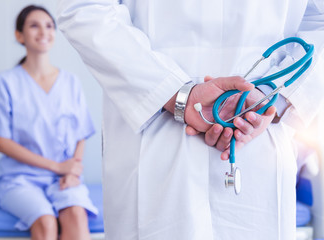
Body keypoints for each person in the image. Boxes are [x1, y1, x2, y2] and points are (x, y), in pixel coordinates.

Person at [57, 1, 324, 240]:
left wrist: (269, 97)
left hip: (257, 142)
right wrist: (173, 92)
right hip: (158, 138)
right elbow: (85, 8)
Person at [0, 5, 97, 240]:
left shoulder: (70, 82)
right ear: (19, 35)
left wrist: (73, 170)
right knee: (46, 222)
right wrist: (58, 167)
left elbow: (81, 133)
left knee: (76, 215)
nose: (44, 31)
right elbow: (2, 143)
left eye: (49, 25)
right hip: (19, 179)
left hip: (63, 178)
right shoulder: (6, 82)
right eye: (34, 25)